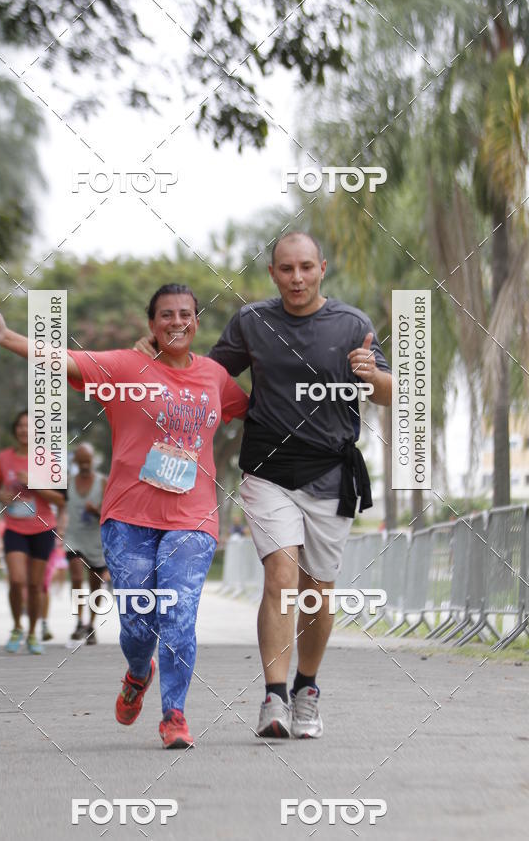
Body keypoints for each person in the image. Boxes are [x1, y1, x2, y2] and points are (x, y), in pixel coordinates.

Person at [0, 283, 249, 748]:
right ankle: (138, 673)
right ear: (151, 324)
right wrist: (7, 337)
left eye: (185, 315)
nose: (177, 322)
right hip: (129, 517)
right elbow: (64, 360)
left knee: (179, 616)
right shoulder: (125, 367)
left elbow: (255, 412)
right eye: (166, 315)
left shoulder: (214, 376)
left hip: (193, 517)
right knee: (137, 623)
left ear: (197, 321)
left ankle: (174, 715)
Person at [136, 233, 392, 739]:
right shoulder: (252, 322)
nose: (296, 278)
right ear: (273, 273)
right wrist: (158, 352)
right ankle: (274, 699)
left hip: (330, 473)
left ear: (322, 268)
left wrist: (371, 376)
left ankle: (306, 690)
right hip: (268, 470)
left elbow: (388, 391)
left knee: (317, 592)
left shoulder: (352, 325)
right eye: (285, 269)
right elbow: (201, 375)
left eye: (305, 268)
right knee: (281, 577)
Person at [0, 411, 66, 654]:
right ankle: (16, 627)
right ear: (15, 430)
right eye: (20, 426)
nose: (24, 430)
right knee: (16, 580)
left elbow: (61, 499)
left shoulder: (47, 459)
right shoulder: (4, 458)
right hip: (14, 527)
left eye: (29, 426)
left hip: (42, 528)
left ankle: (33, 632)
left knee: (35, 586)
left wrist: (36, 482)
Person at [64, 442, 109, 645]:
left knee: (96, 585)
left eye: (87, 461)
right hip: (74, 537)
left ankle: (91, 624)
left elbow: (111, 511)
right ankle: (79, 622)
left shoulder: (102, 483)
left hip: (96, 540)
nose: (84, 464)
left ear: (93, 461)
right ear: (75, 461)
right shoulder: (68, 482)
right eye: (80, 461)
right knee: (75, 575)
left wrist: (97, 511)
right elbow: (55, 500)